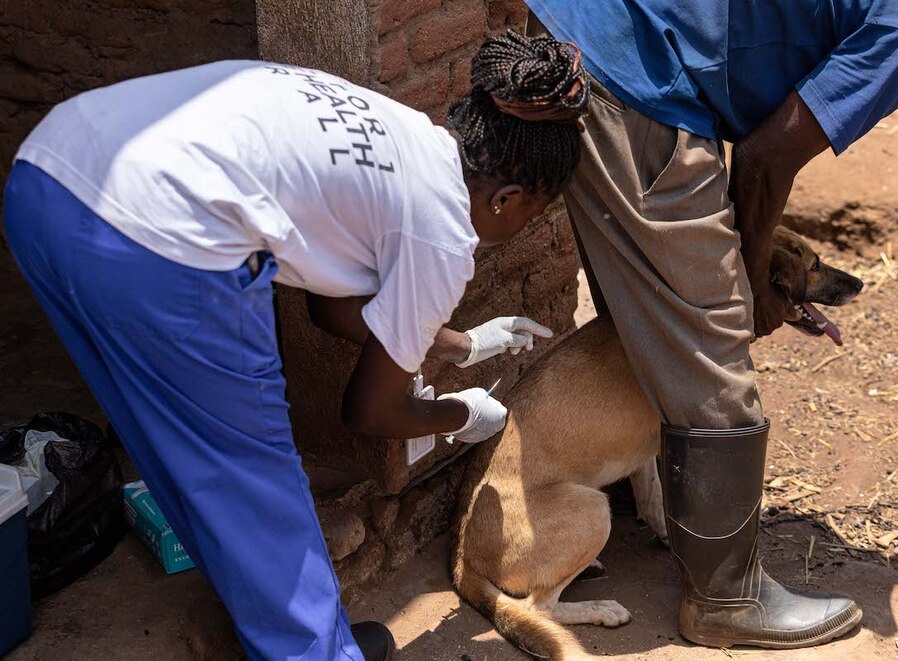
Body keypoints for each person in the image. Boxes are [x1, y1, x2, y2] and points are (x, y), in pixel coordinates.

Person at [2, 31, 589, 660]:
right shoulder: (444, 231)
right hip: (160, 238)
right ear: (506, 199)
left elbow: (332, 307)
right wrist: (462, 416)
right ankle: (313, 651)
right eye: (529, 216)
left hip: (48, 183)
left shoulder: (406, 136)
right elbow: (368, 412)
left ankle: (286, 635)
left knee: (179, 453)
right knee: (257, 475)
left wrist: (455, 345)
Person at [524, 0, 898, 651]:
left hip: (587, 33)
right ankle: (725, 598)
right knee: (710, 332)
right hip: (632, 69)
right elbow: (766, 157)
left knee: (652, 312)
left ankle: (646, 501)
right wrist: (749, 287)